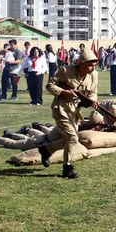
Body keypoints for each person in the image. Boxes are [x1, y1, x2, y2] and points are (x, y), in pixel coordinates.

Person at [39, 48, 99, 179]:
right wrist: (64, 92)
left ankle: (47, 149)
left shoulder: (94, 75)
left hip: (76, 111)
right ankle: (68, 168)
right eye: (90, 64)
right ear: (81, 63)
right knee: (73, 138)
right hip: (61, 108)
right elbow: (50, 85)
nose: (93, 67)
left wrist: (92, 100)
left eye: (95, 64)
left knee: (69, 139)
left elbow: (93, 92)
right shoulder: (65, 71)